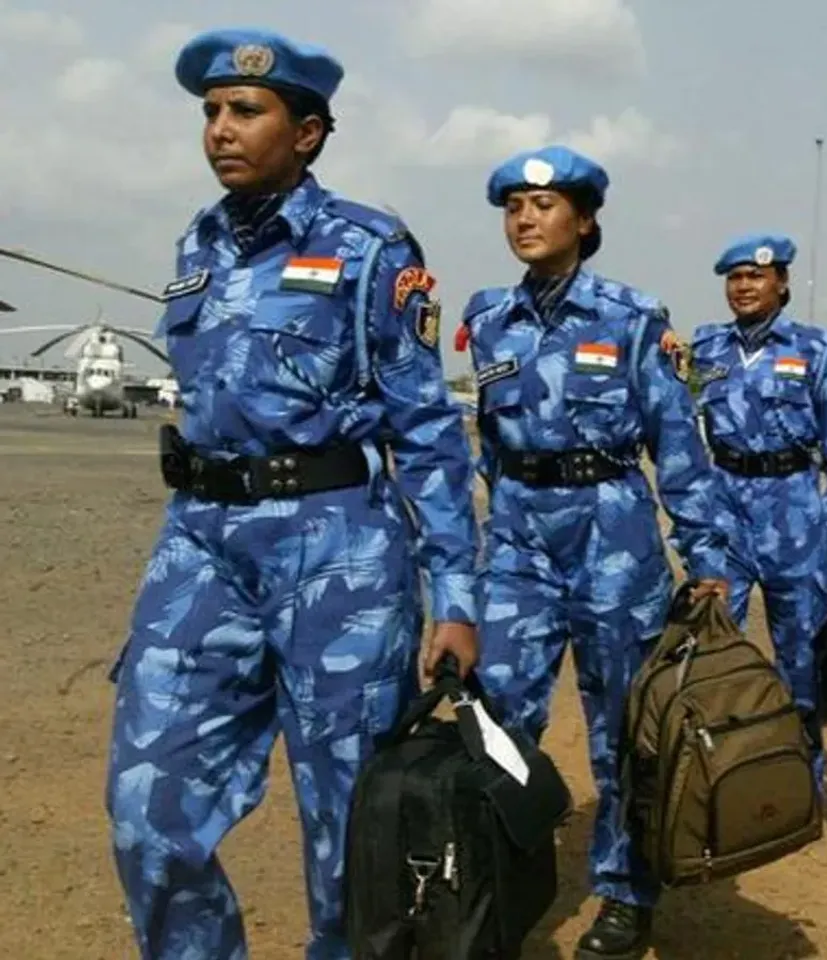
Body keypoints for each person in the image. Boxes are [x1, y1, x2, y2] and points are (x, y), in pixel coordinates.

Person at [104, 29, 479, 960]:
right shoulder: (198, 243)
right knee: (147, 812)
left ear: (308, 132)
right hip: (201, 543)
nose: (221, 131)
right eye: (211, 113)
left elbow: (427, 431)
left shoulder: (368, 248)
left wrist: (458, 598)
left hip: (337, 551)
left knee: (350, 832)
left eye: (246, 111)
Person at [461, 144, 731, 960]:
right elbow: (484, 443)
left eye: (544, 206)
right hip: (518, 535)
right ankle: (500, 887)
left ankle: (623, 891)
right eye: (513, 206)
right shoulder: (487, 320)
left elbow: (676, 442)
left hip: (612, 530)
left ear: (584, 221)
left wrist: (706, 552)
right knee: (499, 714)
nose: (525, 219)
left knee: (621, 726)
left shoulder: (632, 316)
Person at [689, 233, 827, 776]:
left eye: (756, 276)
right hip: (724, 509)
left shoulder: (816, 350)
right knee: (715, 645)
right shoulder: (706, 350)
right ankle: (722, 771)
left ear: (782, 282)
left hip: (793, 511)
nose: (744, 287)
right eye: (735, 277)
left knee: (799, 652)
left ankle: (800, 771)